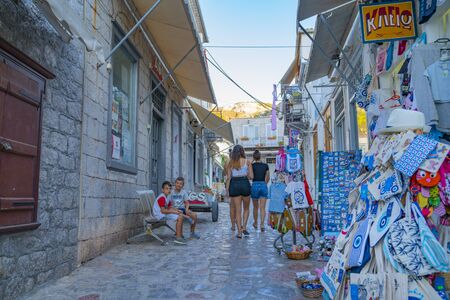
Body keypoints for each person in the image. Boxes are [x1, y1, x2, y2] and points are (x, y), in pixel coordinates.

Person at [226, 145, 254, 238]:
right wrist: (246, 173)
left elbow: (229, 178)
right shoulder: (248, 162)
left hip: (234, 185)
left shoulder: (230, 163)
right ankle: (244, 227)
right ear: (242, 152)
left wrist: (227, 191)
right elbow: (251, 177)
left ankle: (239, 232)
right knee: (246, 208)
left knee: (238, 210)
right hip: (244, 184)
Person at [153, 181, 186, 245]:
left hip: (163, 214)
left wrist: (177, 210)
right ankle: (178, 238)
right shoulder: (162, 197)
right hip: (159, 215)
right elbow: (163, 211)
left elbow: (170, 207)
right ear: (162, 190)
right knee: (180, 217)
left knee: (180, 215)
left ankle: (179, 234)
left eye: (170, 188)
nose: (168, 190)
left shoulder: (167, 196)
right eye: (166, 188)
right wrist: (174, 212)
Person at [251, 150, 270, 232]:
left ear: (254, 157)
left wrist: (252, 161)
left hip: (254, 185)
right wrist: (264, 183)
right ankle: (262, 224)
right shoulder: (265, 165)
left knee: (255, 207)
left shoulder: (251, 165)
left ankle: (255, 223)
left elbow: (250, 176)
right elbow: (268, 176)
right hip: (263, 185)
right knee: (262, 207)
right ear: (260, 156)